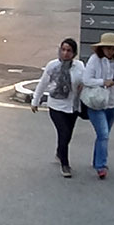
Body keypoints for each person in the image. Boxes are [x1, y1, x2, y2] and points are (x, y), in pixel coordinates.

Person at [32, 38, 85, 178]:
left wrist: (83, 85)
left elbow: (85, 80)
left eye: (69, 51)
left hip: (72, 106)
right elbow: (43, 83)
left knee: (68, 135)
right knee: (64, 133)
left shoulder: (79, 66)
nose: (65, 53)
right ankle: (65, 164)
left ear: (74, 53)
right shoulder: (52, 66)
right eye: (63, 50)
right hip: (56, 105)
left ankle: (60, 152)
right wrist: (35, 101)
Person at [82, 32, 114, 179]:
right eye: (108, 48)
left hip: (112, 103)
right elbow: (86, 80)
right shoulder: (94, 60)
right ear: (102, 48)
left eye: (113, 49)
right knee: (103, 134)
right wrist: (103, 82)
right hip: (95, 103)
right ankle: (101, 166)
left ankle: (97, 160)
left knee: (104, 135)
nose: (111, 51)